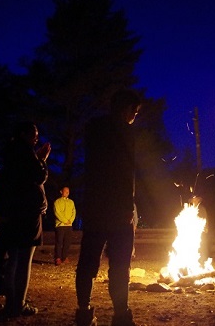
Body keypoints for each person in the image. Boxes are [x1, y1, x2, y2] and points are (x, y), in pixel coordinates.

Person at [75, 89, 141, 326]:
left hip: (93, 207)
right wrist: (126, 207)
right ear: (125, 109)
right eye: (134, 111)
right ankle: (121, 315)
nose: (135, 116)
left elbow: (92, 169)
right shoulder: (124, 132)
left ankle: (83, 311)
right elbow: (125, 173)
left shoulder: (94, 129)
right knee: (120, 265)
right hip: (116, 210)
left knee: (87, 262)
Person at [0, 121, 50, 317]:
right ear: (24, 134)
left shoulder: (9, 153)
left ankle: (11, 303)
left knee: (13, 258)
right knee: (24, 259)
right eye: (34, 134)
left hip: (12, 213)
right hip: (26, 214)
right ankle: (18, 304)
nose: (37, 137)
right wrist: (41, 159)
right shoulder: (25, 153)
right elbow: (39, 176)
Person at [53, 186, 76, 266]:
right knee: (59, 242)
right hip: (60, 225)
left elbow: (74, 212)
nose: (67, 193)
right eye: (65, 191)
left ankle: (64, 257)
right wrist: (65, 221)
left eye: (68, 191)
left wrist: (70, 221)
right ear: (61, 191)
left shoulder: (71, 202)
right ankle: (58, 258)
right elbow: (57, 213)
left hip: (69, 225)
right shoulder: (57, 202)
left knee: (67, 242)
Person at [190, 195, 210, 263]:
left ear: (198, 201)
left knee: (202, 245)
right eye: (193, 200)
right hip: (192, 230)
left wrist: (206, 227)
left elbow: (205, 218)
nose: (194, 201)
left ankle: (203, 260)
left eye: (196, 200)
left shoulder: (201, 209)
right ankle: (193, 260)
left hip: (200, 230)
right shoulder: (189, 209)